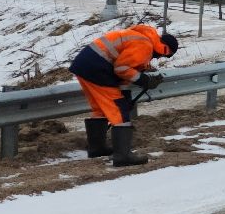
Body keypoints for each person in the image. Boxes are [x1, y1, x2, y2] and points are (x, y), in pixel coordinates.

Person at [69, 23, 177, 168]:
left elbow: (121, 71)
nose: (159, 58)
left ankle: (97, 149)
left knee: (101, 109)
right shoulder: (145, 46)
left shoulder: (141, 38)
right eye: (165, 55)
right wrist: (144, 80)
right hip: (98, 69)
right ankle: (123, 156)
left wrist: (125, 94)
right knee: (119, 112)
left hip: (85, 65)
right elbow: (122, 69)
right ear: (165, 49)